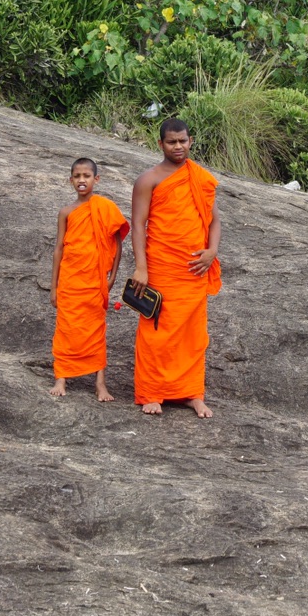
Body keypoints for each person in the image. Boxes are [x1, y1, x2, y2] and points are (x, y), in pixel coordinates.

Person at [129, 118, 222, 417]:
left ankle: (191, 393)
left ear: (190, 141)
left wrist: (212, 251)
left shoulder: (201, 177)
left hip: (194, 269)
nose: (178, 146)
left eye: (183, 141)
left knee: (193, 333)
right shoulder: (149, 180)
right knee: (157, 329)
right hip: (161, 266)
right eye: (172, 142)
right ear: (160, 144)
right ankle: (152, 392)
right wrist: (140, 268)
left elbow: (215, 219)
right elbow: (138, 225)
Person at [49, 157, 129, 401]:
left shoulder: (105, 208)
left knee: (96, 331)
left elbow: (117, 244)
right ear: (70, 180)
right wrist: (54, 287)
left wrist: (112, 277)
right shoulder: (66, 212)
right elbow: (58, 250)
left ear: (96, 179)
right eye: (77, 176)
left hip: (95, 281)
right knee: (65, 329)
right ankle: (61, 378)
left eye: (86, 176)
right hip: (71, 281)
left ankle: (100, 384)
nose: (81, 181)